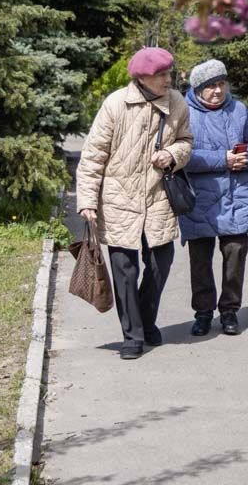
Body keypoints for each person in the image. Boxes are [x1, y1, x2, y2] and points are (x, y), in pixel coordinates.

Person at [76, 47, 193, 360]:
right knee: (125, 270)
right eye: (163, 75)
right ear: (143, 77)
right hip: (119, 200)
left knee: (161, 261)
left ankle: (145, 318)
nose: (169, 79)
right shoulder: (116, 104)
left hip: (158, 197)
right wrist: (87, 200)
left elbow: (186, 142)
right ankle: (132, 335)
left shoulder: (177, 103)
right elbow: (93, 155)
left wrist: (173, 155)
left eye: (170, 72)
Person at [181, 59, 248, 337]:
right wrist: (223, 160)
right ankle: (203, 313)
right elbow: (181, 156)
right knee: (200, 261)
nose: (217, 90)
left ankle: (229, 311)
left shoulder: (239, 109)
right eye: (210, 86)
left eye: (221, 84)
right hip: (199, 199)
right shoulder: (183, 113)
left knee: (235, 257)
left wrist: (247, 157)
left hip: (236, 195)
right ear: (198, 88)